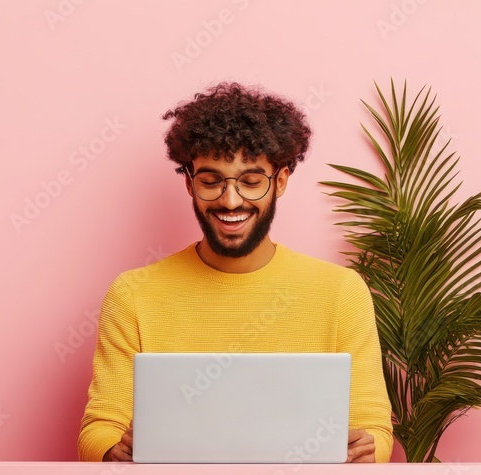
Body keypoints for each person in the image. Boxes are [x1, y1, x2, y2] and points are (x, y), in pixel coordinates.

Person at [77, 82, 394, 463]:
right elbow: (98, 428)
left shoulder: (341, 291)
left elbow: (374, 427)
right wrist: (112, 449)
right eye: (211, 181)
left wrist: (367, 449)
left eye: (250, 181)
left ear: (279, 182)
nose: (230, 200)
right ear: (190, 184)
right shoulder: (133, 294)